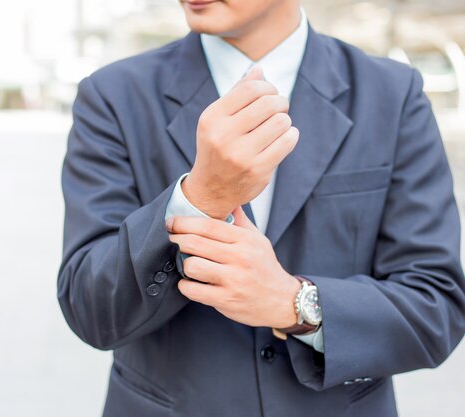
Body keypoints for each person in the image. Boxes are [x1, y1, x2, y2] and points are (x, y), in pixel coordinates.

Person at [57, 1, 465, 416]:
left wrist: (295, 303)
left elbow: (436, 307)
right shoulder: (112, 95)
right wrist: (200, 198)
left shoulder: (392, 94)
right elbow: (92, 311)